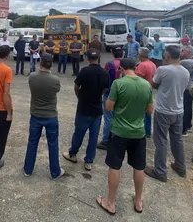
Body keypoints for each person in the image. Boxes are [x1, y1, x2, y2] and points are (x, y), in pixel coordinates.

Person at [96, 58, 154, 215]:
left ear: (121, 68)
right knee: (139, 167)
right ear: (135, 67)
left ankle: (111, 203)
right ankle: (138, 201)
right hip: (139, 132)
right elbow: (149, 110)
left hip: (119, 132)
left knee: (115, 166)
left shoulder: (118, 84)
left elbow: (108, 107)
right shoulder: (146, 85)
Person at [146, 45, 190, 182]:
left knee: (161, 140)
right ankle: (180, 166)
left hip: (164, 110)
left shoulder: (163, 69)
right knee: (177, 139)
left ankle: (160, 171)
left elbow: (153, 84)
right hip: (178, 110)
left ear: (168, 55)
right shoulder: (185, 71)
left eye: (165, 53)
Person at [62, 48, 109, 171]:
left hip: (83, 108)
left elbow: (77, 86)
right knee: (93, 137)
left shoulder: (84, 71)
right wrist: (98, 95)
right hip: (97, 109)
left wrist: (80, 97)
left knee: (78, 133)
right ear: (98, 58)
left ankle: (72, 154)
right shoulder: (105, 73)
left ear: (88, 58)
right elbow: (105, 89)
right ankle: (89, 161)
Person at [23, 54, 65, 180]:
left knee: (32, 142)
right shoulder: (55, 80)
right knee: (53, 144)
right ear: (51, 64)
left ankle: (28, 169)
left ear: (40, 62)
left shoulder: (32, 77)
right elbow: (56, 91)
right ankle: (55, 172)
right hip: (51, 115)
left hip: (36, 114)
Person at [97, 47, 124, 150]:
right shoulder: (127, 64)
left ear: (113, 54)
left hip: (110, 93)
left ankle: (105, 141)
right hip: (122, 94)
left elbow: (104, 76)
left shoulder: (110, 64)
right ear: (122, 54)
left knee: (108, 118)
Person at [135, 48, 157, 138]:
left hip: (141, 90)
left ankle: (141, 130)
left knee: (140, 111)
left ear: (140, 55)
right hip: (149, 89)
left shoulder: (142, 65)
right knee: (148, 110)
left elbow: (138, 78)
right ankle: (147, 131)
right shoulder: (152, 64)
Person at [179, 46, 193, 136]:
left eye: (183, 51)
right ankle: (188, 125)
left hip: (185, 88)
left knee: (185, 108)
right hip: (190, 87)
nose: (181, 52)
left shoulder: (185, 62)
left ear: (189, 53)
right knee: (188, 107)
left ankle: (183, 129)